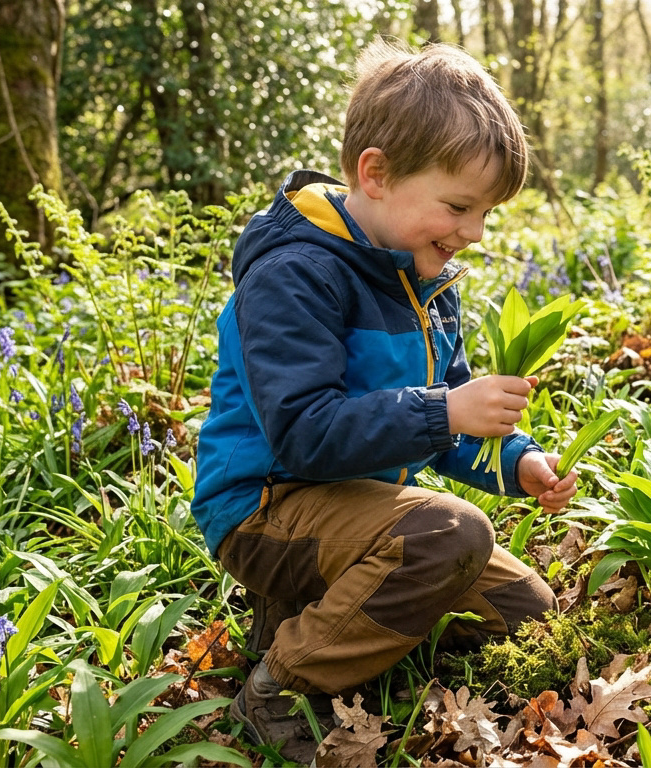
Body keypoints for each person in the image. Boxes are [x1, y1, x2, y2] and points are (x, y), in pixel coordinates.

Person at [191, 39, 576, 763]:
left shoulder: (422, 281)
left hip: (366, 509)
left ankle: (321, 620)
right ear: (375, 173)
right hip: (267, 508)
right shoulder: (295, 274)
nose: (473, 233)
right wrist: (445, 411)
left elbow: (445, 425)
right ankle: (279, 681)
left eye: (486, 214)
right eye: (460, 206)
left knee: (534, 618)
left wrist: (516, 462)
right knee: (451, 536)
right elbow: (305, 435)